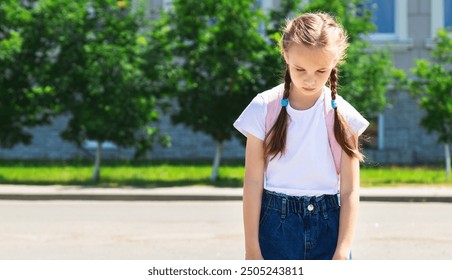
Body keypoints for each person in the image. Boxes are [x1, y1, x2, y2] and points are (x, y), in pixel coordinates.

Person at [233, 12, 369, 260]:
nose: (310, 79)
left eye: (321, 70)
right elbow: (252, 182)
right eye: (300, 68)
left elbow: (349, 190)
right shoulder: (263, 108)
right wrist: (252, 249)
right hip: (275, 229)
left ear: (335, 62)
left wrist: (342, 250)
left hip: (329, 228)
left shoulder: (344, 115)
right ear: (285, 54)